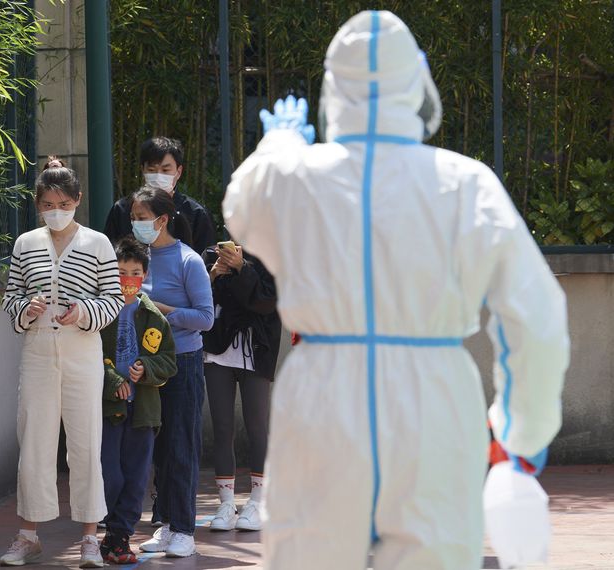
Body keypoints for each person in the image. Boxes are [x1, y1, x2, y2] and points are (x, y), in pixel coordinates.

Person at [223, 11, 569, 570]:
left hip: (321, 391)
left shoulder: (292, 179)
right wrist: (521, 433)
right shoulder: (466, 183)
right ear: (417, 83)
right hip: (433, 395)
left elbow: (242, 205)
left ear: (334, 87)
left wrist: (280, 146)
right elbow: (538, 319)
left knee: (307, 555)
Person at [0, 157, 124, 568]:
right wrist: (26, 308)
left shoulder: (98, 243)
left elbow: (113, 299)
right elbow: (9, 296)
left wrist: (83, 312)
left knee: (86, 443)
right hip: (37, 351)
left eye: (63, 202)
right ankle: (27, 534)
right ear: (37, 204)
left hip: (81, 350)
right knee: (34, 441)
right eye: (48, 203)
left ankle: (90, 536)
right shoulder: (25, 243)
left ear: (77, 200)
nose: (56, 210)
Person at [127, 187, 214, 558]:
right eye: (134, 216)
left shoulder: (188, 260)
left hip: (183, 362)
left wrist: (165, 312)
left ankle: (183, 529)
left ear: (162, 220)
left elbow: (206, 317)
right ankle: (163, 523)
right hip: (147, 365)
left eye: (142, 217)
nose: (136, 223)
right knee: (157, 448)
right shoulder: (137, 259)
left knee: (181, 445)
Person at [99, 236, 177, 564]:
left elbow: (168, 361)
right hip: (108, 409)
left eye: (134, 272)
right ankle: (108, 527)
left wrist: (146, 367)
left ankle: (119, 536)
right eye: (119, 272)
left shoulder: (154, 316)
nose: (127, 279)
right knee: (110, 474)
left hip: (144, 410)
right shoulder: (100, 313)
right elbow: (88, 358)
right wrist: (113, 379)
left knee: (136, 475)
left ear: (144, 275)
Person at [202, 242, 280, 532]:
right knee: (223, 426)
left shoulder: (272, 255)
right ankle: (225, 503)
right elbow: (199, 299)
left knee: (257, 425)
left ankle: (258, 501)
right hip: (218, 348)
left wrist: (241, 268)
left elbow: (266, 302)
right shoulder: (211, 254)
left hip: (256, 349)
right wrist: (210, 276)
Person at [103, 136, 216, 254]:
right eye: (152, 170)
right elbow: (109, 255)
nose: (158, 175)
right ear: (143, 170)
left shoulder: (196, 214)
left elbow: (206, 262)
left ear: (179, 172)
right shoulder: (122, 209)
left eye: (166, 170)